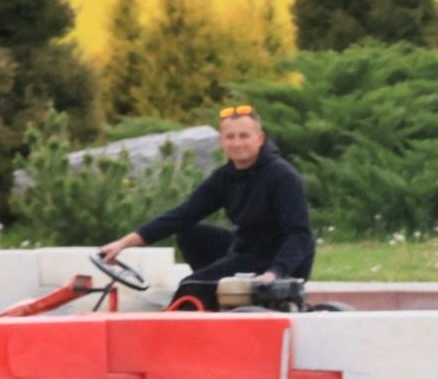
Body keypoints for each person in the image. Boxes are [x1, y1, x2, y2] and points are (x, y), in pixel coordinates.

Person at [100, 104, 314, 310]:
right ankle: (218, 296)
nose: (237, 143)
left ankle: (200, 300)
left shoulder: (282, 176)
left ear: (260, 139)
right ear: (222, 141)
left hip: (276, 260)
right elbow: (182, 215)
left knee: (190, 288)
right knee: (189, 232)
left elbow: (299, 235)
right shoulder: (225, 177)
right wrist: (124, 243)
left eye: (244, 136)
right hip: (246, 248)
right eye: (230, 137)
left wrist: (275, 273)